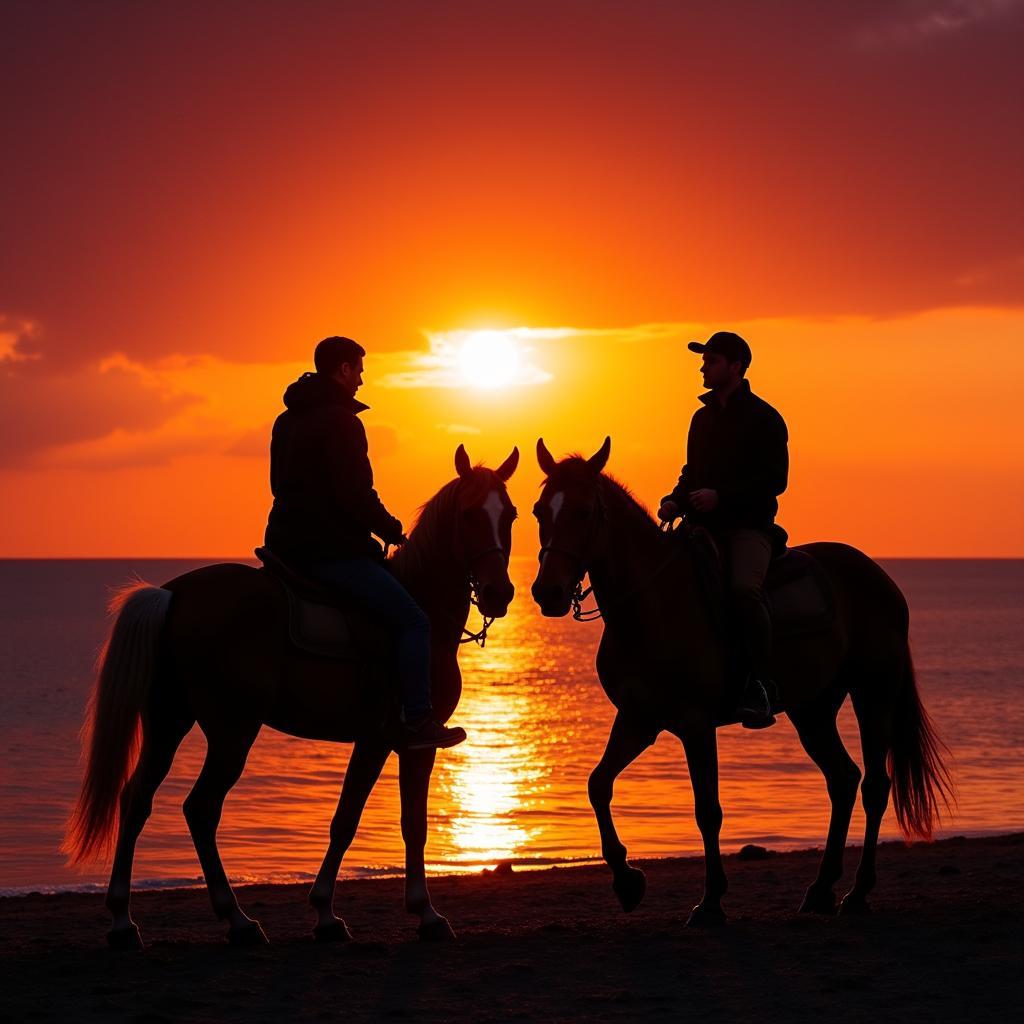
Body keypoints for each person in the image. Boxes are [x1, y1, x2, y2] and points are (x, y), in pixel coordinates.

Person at [264, 335, 466, 750]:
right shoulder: (344, 422)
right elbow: (356, 495)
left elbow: (276, 484)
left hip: (285, 548)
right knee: (414, 621)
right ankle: (416, 720)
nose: (361, 381)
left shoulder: (285, 420)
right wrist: (393, 531)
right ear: (342, 369)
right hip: (330, 552)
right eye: (358, 370)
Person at [657, 331, 788, 729]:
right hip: (701, 528)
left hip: (748, 527)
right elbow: (690, 473)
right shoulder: (701, 418)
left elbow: (775, 480)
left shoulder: (765, 418)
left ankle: (762, 685)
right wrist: (675, 499)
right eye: (704, 360)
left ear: (735, 367)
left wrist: (722, 498)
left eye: (711, 361)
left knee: (743, 591)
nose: (702, 367)